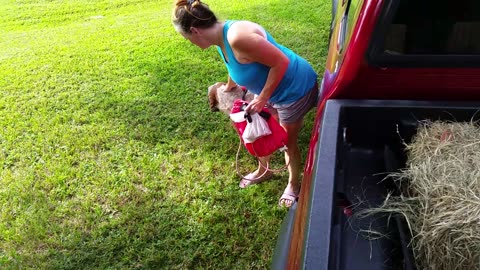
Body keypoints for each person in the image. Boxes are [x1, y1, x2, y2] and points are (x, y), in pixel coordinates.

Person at [172, 0, 318, 207]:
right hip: (273, 91)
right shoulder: (219, 38)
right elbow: (235, 65)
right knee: (259, 130)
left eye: (186, 38)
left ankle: (294, 185)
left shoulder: (237, 37)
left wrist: (262, 98)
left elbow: (281, 62)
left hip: (294, 91)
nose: (189, 42)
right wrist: (231, 85)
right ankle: (263, 171)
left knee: (287, 142)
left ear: (195, 31)